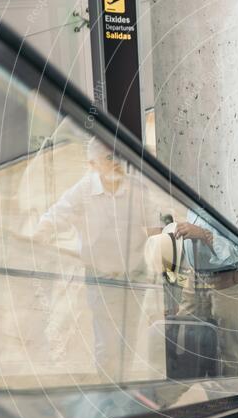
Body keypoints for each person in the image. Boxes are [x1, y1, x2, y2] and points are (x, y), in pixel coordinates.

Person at [33, 138, 162, 382]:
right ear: (92, 164)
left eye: (118, 156)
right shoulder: (83, 191)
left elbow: (154, 226)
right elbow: (57, 214)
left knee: (129, 334)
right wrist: (40, 233)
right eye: (109, 158)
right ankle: (109, 390)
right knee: (107, 340)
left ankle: (122, 385)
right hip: (102, 277)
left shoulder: (138, 188)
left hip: (135, 274)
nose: (117, 163)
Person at [173, 210, 238, 377]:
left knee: (230, 350)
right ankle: (197, 395)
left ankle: (234, 398)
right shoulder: (193, 199)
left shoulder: (232, 202)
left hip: (226, 281)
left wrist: (203, 234)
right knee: (186, 338)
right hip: (194, 279)